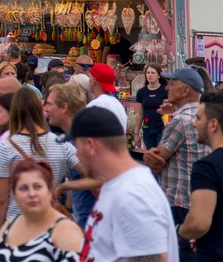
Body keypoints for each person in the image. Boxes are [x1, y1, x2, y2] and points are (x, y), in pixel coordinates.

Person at [69, 107, 178, 262]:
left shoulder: (134, 194)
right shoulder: (119, 185)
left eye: (77, 146)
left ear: (91, 146)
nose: (76, 154)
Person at [0, 88, 79, 232]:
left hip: (16, 222)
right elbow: (94, 172)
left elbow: (0, 200)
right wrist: (64, 186)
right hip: (50, 222)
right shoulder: (61, 143)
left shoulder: (7, 146)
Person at [145, 66, 209, 262]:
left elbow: (157, 163)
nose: (167, 88)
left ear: (185, 90)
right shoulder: (203, 117)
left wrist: (151, 158)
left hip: (177, 199)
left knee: (180, 252)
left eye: (172, 84)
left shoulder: (180, 121)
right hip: (198, 198)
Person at [178, 92, 223, 261]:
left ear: (213, 124)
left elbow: (198, 223)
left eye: (198, 118)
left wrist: (179, 232)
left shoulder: (207, 167)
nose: (195, 124)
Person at [0, 158, 84, 262]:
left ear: (50, 190)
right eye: (23, 188)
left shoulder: (66, 230)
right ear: (14, 194)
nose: (31, 194)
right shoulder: (10, 225)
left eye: (37, 187)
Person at [44, 84, 99, 229]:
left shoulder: (82, 139)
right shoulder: (75, 136)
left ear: (64, 107)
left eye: (49, 104)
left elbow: (98, 186)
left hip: (92, 226)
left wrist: (63, 187)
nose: (46, 109)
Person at [134, 63, 168, 150]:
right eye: (148, 73)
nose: (150, 75)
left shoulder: (165, 90)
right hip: (147, 128)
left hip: (162, 128)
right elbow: (139, 113)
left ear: (159, 75)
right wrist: (136, 133)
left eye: (153, 73)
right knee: (151, 154)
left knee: (160, 154)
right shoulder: (141, 92)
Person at [86, 63, 128, 131]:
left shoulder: (95, 105)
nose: (88, 80)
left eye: (89, 77)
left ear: (93, 81)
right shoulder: (118, 104)